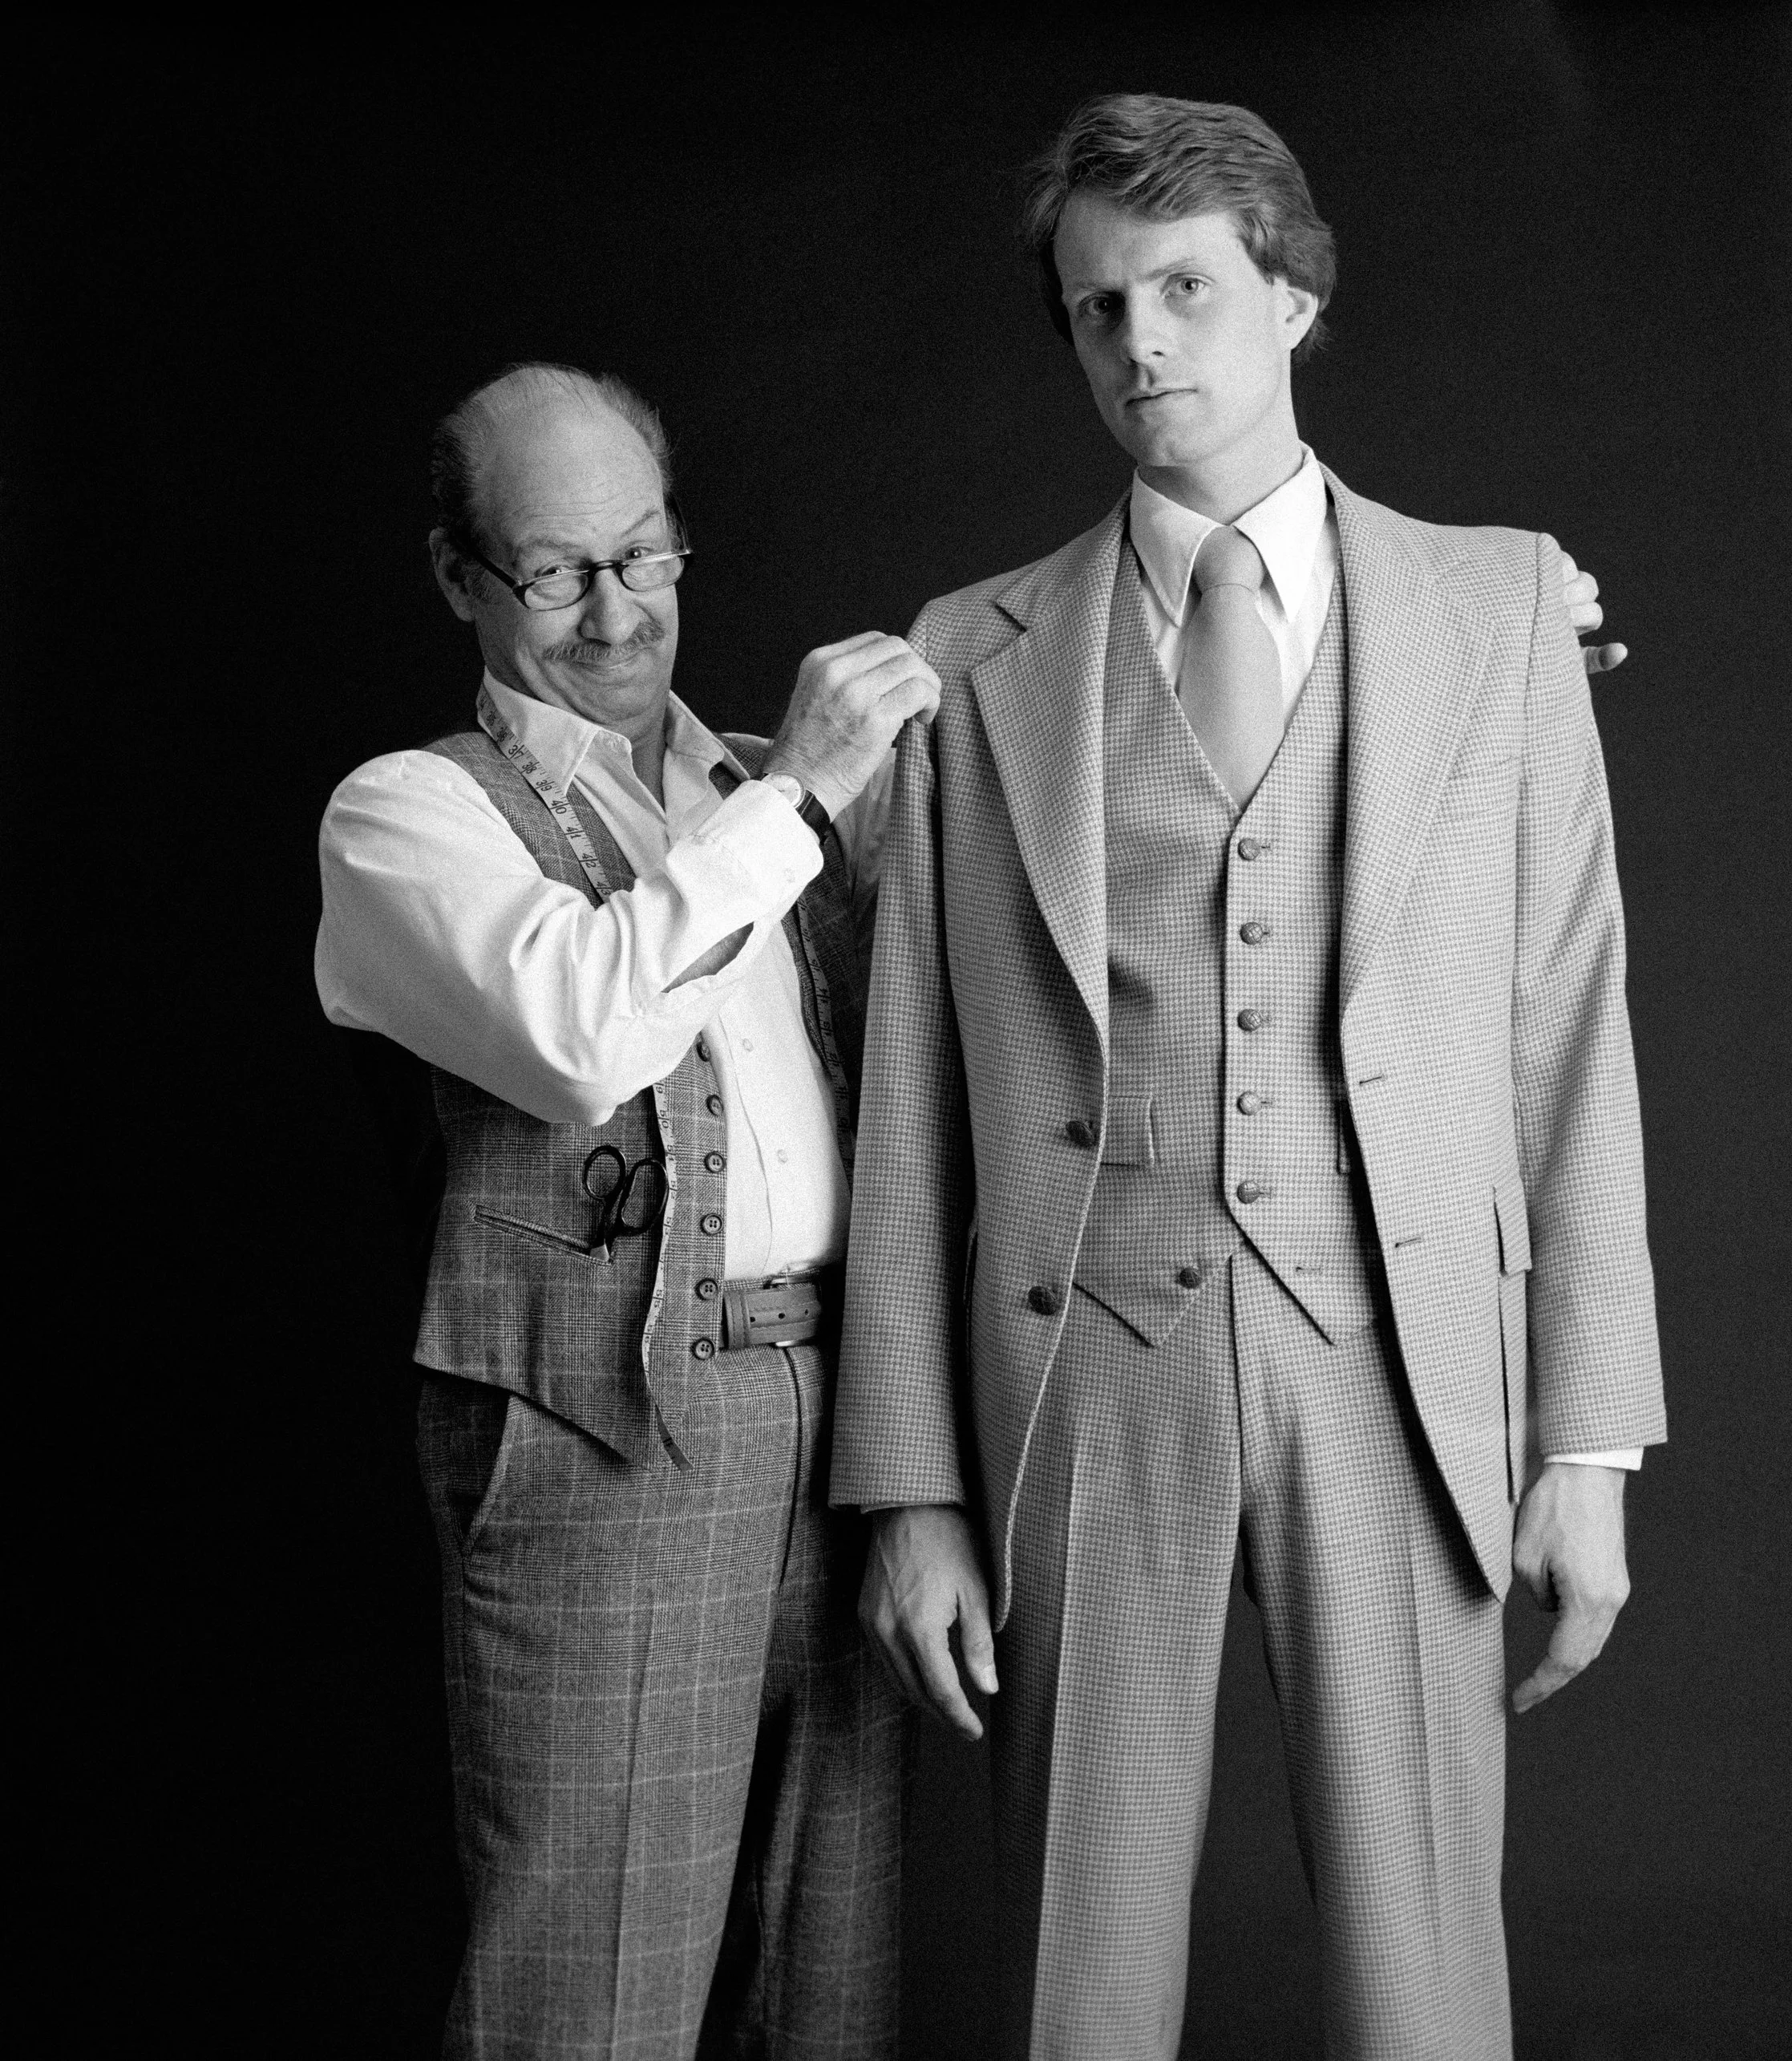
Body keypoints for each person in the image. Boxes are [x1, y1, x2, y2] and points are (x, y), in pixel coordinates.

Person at [831, 95, 1665, 2059]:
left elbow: (1566, 1026)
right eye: (1096, 306)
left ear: (1290, 295)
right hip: (1079, 1371)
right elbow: (909, 1104)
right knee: (1076, 1977)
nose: (1139, 344)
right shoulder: (970, 654)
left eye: (1185, 288)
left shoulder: (1500, 610)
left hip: (1400, 1369)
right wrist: (910, 1489)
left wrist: (1588, 1445)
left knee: (1421, 1980)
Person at [314, 362, 938, 2060]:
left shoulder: (756, 786)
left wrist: (1469, 637)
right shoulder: (405, 815)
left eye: (644, 557)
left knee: (832, 1987)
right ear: (460, 578)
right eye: (556, 570)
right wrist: (794, 797)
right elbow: (582, 1031)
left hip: (847, 1421)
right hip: (600, 1433)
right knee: (588, 1994)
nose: (616, 613)